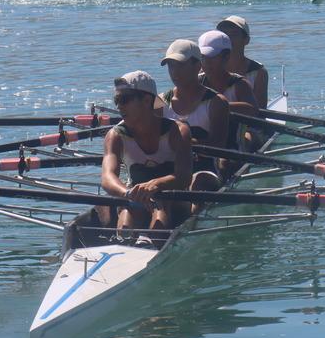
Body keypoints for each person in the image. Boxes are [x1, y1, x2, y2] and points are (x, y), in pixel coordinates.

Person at [100, 70, 191, 240]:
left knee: (160, 211)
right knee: (127, 216)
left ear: (147, 100)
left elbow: (184, 176)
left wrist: (156, 184)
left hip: (173, 197)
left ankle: (155, 242)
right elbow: (107, 178)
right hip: (135, 197)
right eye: (116, 101)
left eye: (125, 100)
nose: (119, 106)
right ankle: (125, 244)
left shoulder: (178, 131)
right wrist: (128, 193)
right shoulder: (116, 136)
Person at [160, 38, 231, 187]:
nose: (174, 72)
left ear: (198, 66)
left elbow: (217, 147)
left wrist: (182, 143)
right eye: (170, 66)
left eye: (180, 65)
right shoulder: (160, 102)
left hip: (205, 170)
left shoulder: (217, 102)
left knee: (199, 182)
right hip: (169, 170)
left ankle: (191, 208)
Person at [216, 15, 269, 109]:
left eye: (233, 34)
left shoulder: (259, 73)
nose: (227, 38)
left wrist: (221, 106)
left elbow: (260, 114)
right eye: (224, 34)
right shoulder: (206, 68)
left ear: (246, 40)